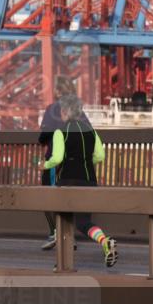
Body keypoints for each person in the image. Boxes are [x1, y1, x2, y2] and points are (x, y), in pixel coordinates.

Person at [41, 95, 118, 267]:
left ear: (65, 112)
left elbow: (57, 158)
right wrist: (86, 161)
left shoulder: (60, 132)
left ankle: (62, 262)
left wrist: (45, 165)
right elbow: (100, 156)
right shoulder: (91, 131)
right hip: (89, 180)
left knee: (63, 219)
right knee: (83, 222)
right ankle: (105, 241)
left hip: (67, 181)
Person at [38, 77, 82, 251]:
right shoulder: (79, 109)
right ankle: (69, 235)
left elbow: (44, 135)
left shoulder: (53, 109)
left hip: (55, 161)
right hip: (75, 162)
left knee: (47, 196)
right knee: (68, 199)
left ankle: (55, 233)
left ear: (57, 91)